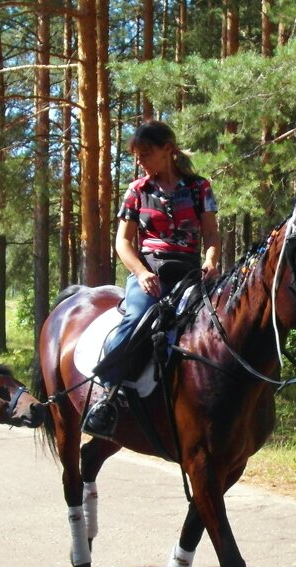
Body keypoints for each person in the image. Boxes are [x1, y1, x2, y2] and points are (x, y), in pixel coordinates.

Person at [83, 120, 221, 439]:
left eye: (146, 153)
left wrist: (211, 261)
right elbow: (123, 242)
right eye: (137, 155)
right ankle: (108, 395)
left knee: (219, 323)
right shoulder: (137, 191)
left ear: (168, 150)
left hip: (189, 271)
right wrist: (141, 272)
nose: (141, 161)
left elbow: (211, 234)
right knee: (135, 321)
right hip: (150, 272)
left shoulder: (200, 187)